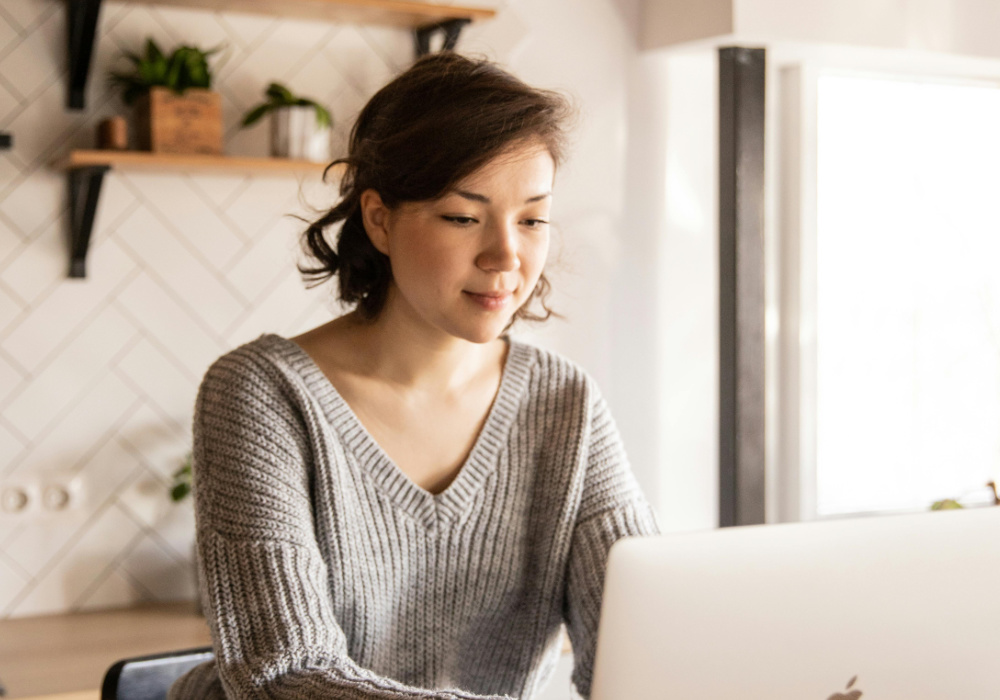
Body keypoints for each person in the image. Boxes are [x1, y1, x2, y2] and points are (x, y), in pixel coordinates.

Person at [168, 52, 659, 700]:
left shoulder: (565, 403)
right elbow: (284, 676)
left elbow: (643, 642)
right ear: (379, 219)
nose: (506, 255)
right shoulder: (262, 395)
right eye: (463, 216)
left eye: (533, 219)